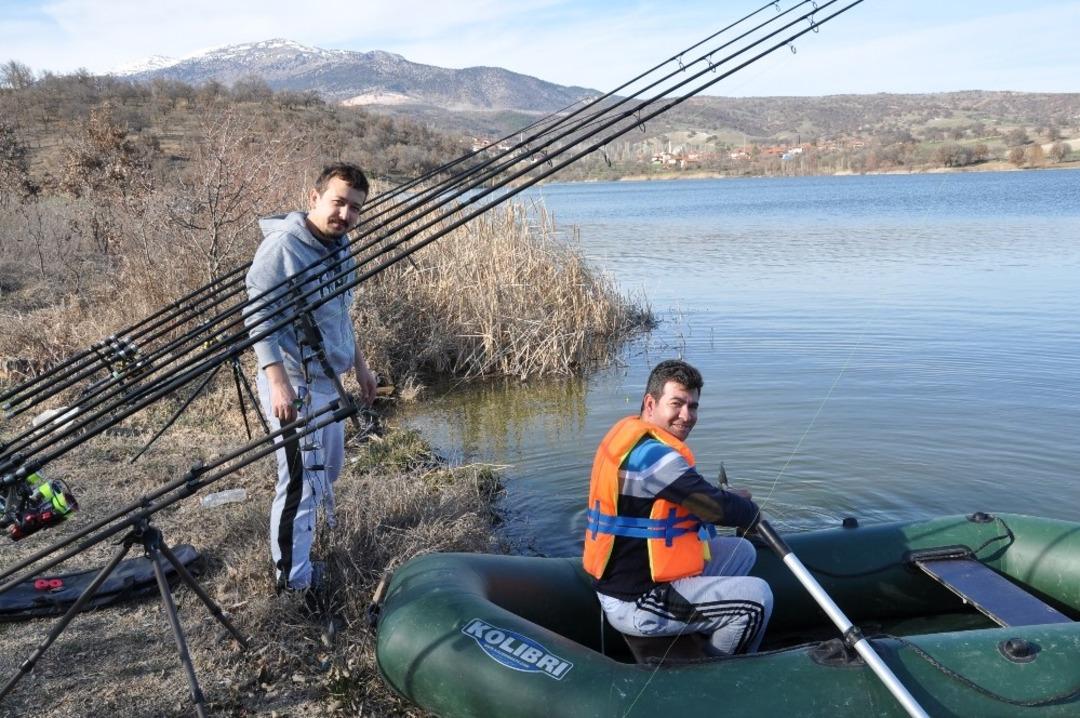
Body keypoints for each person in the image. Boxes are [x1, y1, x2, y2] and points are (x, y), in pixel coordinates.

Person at [244, 162, 377, 592]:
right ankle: (292, 580)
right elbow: (257, 315)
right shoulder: (283, 246)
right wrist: (277, 382)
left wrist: (360, 367)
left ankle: (319, 545)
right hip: (293, 381)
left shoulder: (341, 246)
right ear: (314, 198)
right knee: (300, 481)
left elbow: (341, 314)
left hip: (329, 380)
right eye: (338, 203)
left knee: (328, 472)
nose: (345, 215)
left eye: (355, 208)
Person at [582, 359, 772, 656]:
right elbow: (713, 507)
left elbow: (689, 497)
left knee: (742, 551)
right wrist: (750, 512)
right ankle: (720, 673)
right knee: (757, 599)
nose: (686, 415)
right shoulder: (653, 458)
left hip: (641, 578)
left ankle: (705, 625)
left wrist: (731, 499)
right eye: (677, 404)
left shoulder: (638, 443)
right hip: (637, 600)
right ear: (650, 403)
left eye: (693, 406)